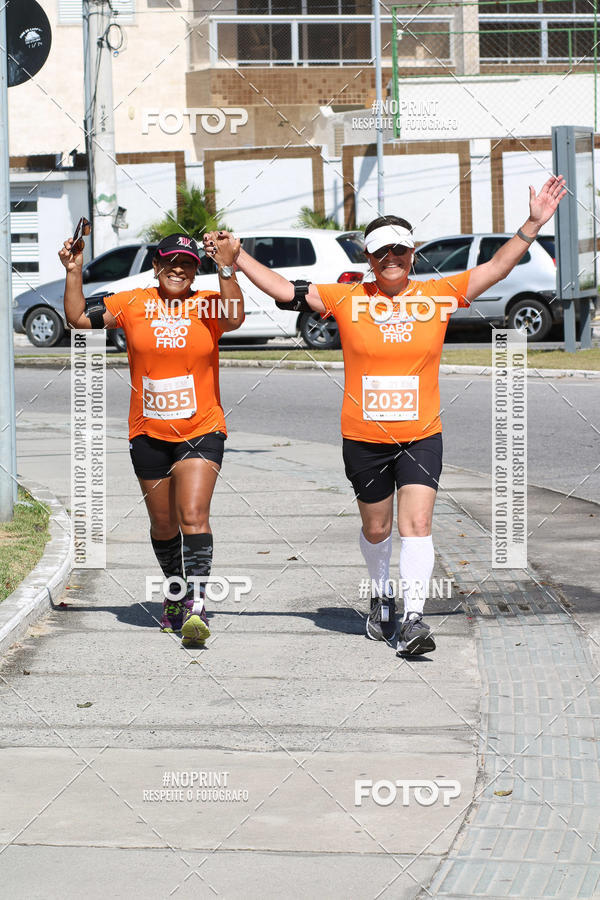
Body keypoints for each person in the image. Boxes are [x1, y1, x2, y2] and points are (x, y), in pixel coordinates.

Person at [209, 175, 566, 656]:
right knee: (377, 529)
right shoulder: (347, 297)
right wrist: (239, 257)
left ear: (412, 254)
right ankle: (381, 598)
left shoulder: (438, 295)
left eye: (400, 251)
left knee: (415, 526)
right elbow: (283, 289)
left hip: (421, 436)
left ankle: (415, 619)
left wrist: (533, 223)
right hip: (362, 439)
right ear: (368, 259)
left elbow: (497, 268)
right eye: (382, 254)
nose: (392, 260)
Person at [60, 230, 244, 647]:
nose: (179, 269)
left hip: (201, 428)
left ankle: (197, 606)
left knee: (192, 514)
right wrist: (73, 272)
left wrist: (227, 267)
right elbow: (78, 320)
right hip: (148, 431)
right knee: (163, 524)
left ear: (197, 270)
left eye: (188, 263)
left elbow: (234, 317)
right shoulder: (132, 302)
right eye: (170, 262)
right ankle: (175, 589)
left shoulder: (209, 304)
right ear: (157, 266)